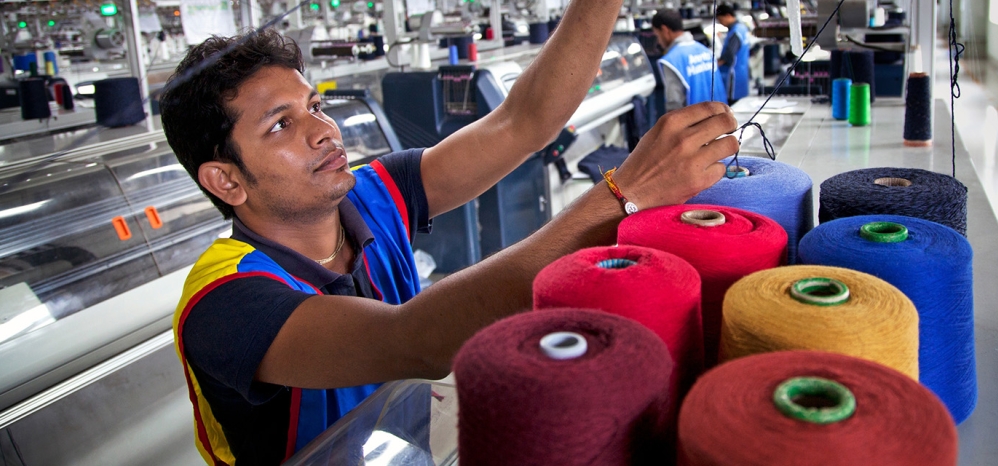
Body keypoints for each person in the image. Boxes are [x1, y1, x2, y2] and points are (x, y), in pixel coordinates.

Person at [158, 0, 739, 463]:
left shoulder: (373, 193)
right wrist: (621, 196)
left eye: (314, 105)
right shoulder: (224, 302)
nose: (324, 131)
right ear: (226, 181)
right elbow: (412, 341)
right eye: (282, 124)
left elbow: (524, 121)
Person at [652, 9, 728, 114]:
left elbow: (674, 105)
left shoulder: (672, 60)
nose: (658, 41)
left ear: (665, 30)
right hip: (720, 119)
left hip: (696, 126)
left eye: (657, 35)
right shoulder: (705, 51)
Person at [715, 4, 751, 103]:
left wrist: (715, 64)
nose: (721, 23)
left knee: (732, 104)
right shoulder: (741, 28)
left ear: (728, 16)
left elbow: (729, 54)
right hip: (742, 70)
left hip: (733, 74)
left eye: (721, 20)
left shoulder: (736, 31)